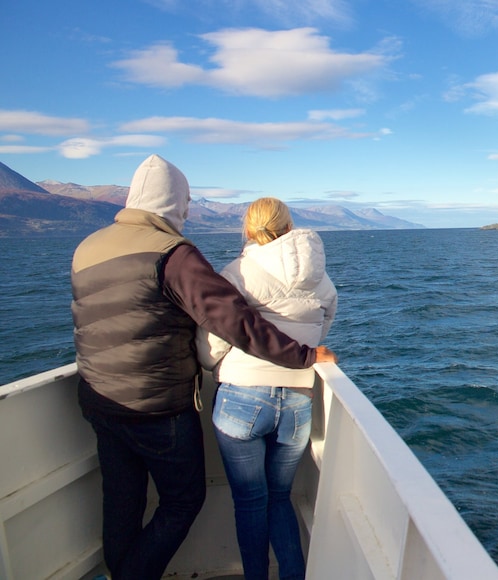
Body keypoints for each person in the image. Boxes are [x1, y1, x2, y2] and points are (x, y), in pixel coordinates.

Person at [70, 154, 337, 580]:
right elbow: (230, 320)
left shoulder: (86, 249)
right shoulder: (172, 253)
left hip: (99, 401)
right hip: (158, 406)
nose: (190, 212)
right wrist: (303, 356)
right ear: (172, 202)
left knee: (122, 501)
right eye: (187, 203)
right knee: (182, 501)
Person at [196, 197, 337, 580]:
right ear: (289, 224)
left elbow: (214, 340)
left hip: (242, 397)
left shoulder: (238, 272)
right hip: (296, 401)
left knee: (250, 502)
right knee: (280, 498)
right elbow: (319, 332)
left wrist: (212, 366)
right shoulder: (321, 280)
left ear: (249, 227)